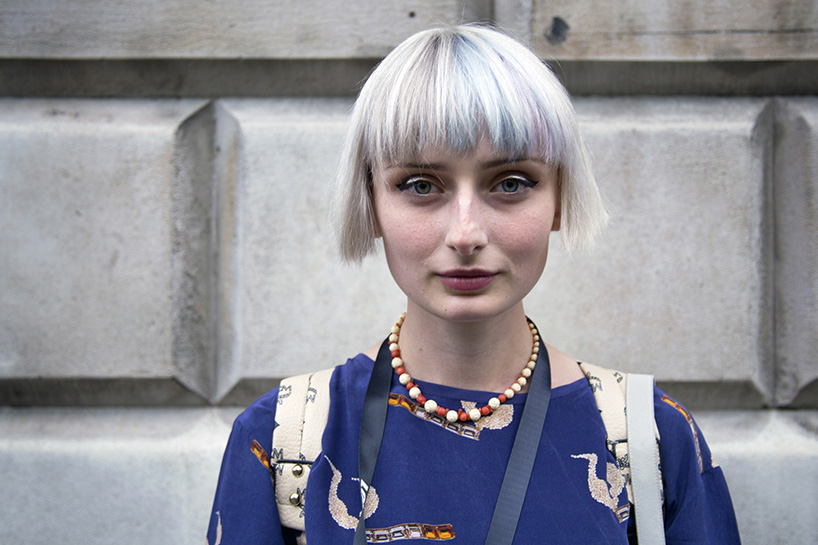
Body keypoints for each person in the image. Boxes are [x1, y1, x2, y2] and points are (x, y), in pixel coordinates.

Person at [207, 24, 741, 544]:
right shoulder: (283, 441)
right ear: (369, 201)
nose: (466, 233)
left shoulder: (651, 440)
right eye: (420, 185)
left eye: (511, 183)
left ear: (560, 198)